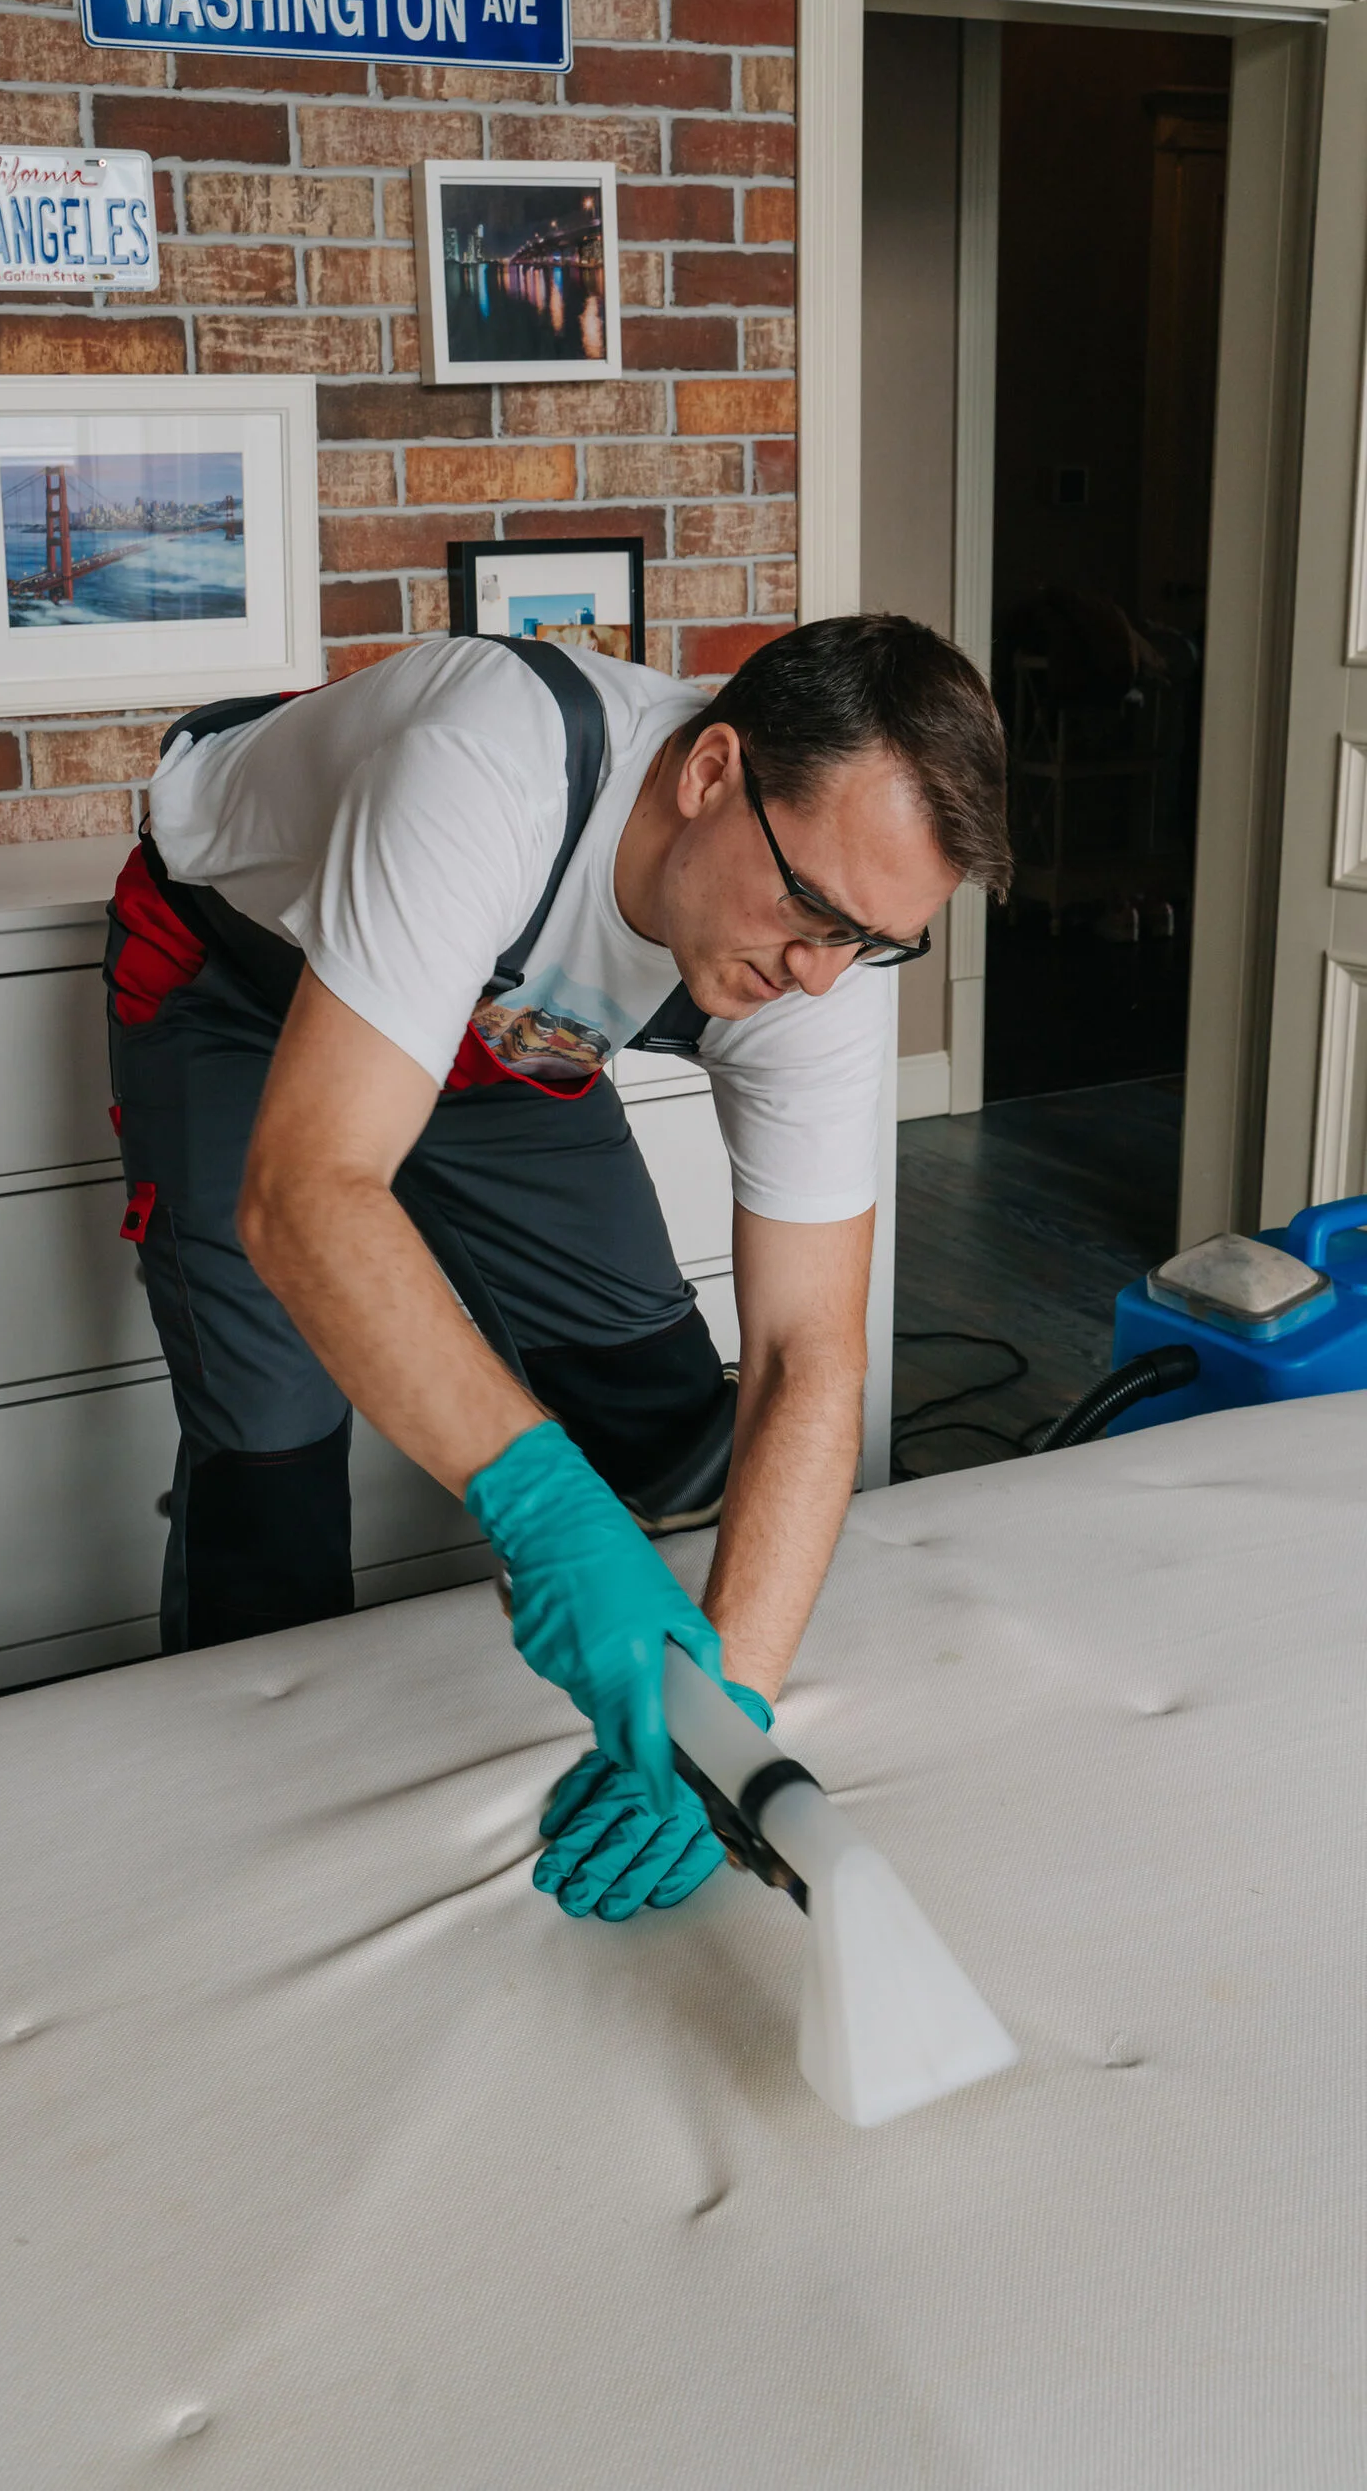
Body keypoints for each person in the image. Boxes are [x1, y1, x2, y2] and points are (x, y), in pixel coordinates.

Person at [105, 615, 1009, 1924]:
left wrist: (729, 1727)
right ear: (711, 774)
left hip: (512, 1019)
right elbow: (309, 1195)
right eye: (812, 911)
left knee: (659, 1402)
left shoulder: (825, 957)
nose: (823, 980)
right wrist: (548, 1513)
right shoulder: (488, 766)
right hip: (240, 981)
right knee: (272, 1458)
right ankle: (260, 1856)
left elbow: (810, 1350)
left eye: (874, 940)